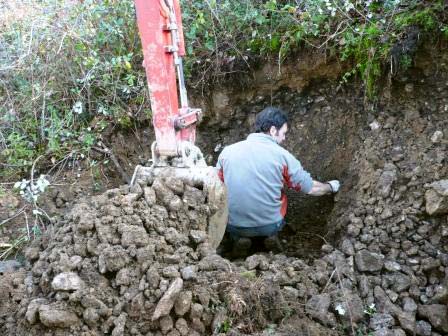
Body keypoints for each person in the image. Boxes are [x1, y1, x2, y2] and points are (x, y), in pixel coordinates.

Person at [216, 106, 340, 253]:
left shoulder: (227, 152)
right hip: (270, 224)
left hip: (234, 224)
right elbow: (311, 188)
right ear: (273, 130)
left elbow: (218, 185)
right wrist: (330, 187)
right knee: (280, 198)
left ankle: (239, 239)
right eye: (283, 133)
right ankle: (270, 236)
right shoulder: (283, 156)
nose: (284, 138)